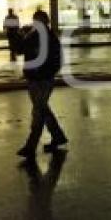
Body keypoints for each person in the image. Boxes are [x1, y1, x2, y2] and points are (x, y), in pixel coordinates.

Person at [16, 10, 68, 157]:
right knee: (42, 110)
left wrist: (46, 73)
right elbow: (19, 50)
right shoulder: (32, 36)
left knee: (39, 111)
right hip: (34, 79)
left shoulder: (50, 38)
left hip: (43, 80)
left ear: (45, 22)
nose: (36, 23)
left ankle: (30, 147)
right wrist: (20, 35)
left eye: (38, 21)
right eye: (35, 20)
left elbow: (58, 60)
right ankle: (58, 137)